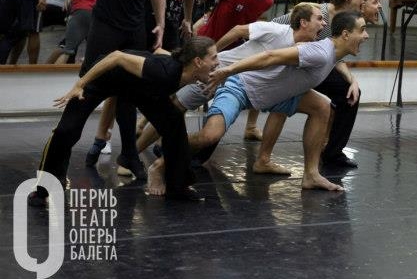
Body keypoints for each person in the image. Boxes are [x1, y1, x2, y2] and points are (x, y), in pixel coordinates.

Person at [26, 0, 182, 181]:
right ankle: (50, 176)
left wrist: (160, 23)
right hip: (106, 27)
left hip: (135, 30)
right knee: (85, 96)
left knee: (129, 93)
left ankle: (130, 155)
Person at [149, 11, 369, 194]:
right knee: (210, 136)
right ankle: (160, 165)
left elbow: (333, 63)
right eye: (362, 30)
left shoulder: (330, 53)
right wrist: (228, 70)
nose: (367, 35)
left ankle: (311, 174)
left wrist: (352, 80)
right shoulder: (319, 52)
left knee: (322, 107)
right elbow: (269, 56)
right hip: (240, 86)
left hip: (273, 95)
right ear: (345, 34)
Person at [137, 2, 326, 178]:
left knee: (204, 130)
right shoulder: (276, 31)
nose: (324, 24)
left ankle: (165, 148)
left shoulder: (303, 48)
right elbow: (238, 30)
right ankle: (134, 152)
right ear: (303, 22)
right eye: (319, 19)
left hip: (235, 84)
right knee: (174, 108)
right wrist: (213, 55)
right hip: (212, 74)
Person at [28, 36, 219, 206]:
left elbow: (159, 52)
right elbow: (116, 57)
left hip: (136, 87)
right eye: (214, 58)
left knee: (173, 122)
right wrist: (80, 84)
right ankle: (43, 189)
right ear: (198, 62)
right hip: (104, 78)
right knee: (66, 131)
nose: (217, 63)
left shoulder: (182, 70)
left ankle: (177, 187)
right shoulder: (164, 72)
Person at [266, 0, 367, 165]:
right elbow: (273, 26)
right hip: (293, 65)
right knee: (284, 101)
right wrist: (290, 48)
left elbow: (335, 56)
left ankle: (333, 153)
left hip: (316, 68)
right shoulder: (318, 13)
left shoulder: (346, 21)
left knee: (349, 92)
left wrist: (352, 80)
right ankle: (264, 157)